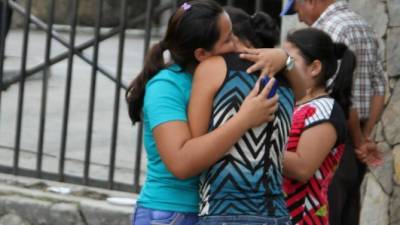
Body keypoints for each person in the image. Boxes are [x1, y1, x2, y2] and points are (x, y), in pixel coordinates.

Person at [126, 1, 285, 224]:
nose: (236, 44)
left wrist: (284, 58)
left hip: (211, 210)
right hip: (170, 213)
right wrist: (244, 120)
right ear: (201, 53)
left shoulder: (219, 76)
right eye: (228, 39)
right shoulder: (166, 86)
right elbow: (181, 163)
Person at [188, 7, 304, 225]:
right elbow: (304, 92)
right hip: (277, 214)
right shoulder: (287, 79)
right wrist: (285, 57)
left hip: (223, 210)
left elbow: (195, 149)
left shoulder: (212, 68)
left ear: (236, 37)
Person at [280, 1, 387, 224]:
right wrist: (365, 138)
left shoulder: (326, 29)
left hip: (327, 139)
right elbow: (379, 86)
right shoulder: (363, 26)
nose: (299, 18)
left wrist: (357, 140)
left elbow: (344, 96)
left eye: (297, 9)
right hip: (350, 140)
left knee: (328, 208)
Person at [281, 27, 355, 225]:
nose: (283, 66)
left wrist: (252, 145)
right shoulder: (295, 104)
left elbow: (302, 167)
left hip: (303, 217)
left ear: (314, 68)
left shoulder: (323, 108)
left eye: (290, 61)